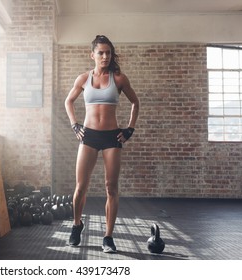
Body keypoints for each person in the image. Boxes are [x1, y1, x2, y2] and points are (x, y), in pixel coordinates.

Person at [64, 35, 139, 253]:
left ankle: (108, 236)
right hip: (88, 137)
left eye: (108, 52)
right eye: (101, 52)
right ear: (93, 55)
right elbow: (68, 101)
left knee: (111, 188)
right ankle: (77, 225)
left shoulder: (119, 78)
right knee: (80, 187)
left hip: (111, 138)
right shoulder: (83, 79)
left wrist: (130, 128)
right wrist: (74, 124)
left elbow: (135, 102)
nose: (105, 56)